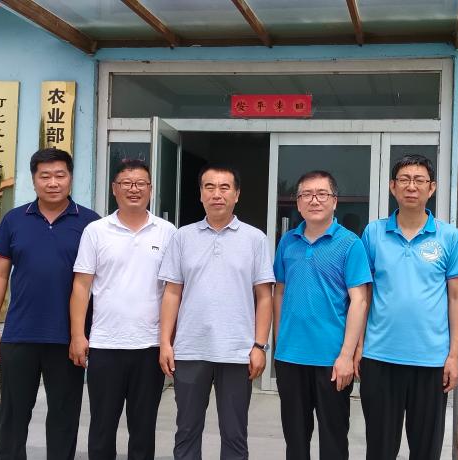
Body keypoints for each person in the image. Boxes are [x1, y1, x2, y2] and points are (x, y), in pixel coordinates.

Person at [0, 147, 100, 460]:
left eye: (60, 175)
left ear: (71, 178)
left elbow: (101, 282)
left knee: (64, 415)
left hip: (68, 338)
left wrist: (86, 335)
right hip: (20, 334)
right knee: (13, 414)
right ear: (34, 180)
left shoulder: (90, 223)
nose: (53, 182)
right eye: (45, 176)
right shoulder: (15, 219)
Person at [157, 164, 275, 460]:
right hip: (190, 350)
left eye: (225, 188)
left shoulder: (255, 239)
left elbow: (264, 297)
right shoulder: (182, 237)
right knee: (186, 430)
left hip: (237, 352)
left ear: (237, 194)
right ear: (200, 194)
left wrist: (259, 346)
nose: (217, 194)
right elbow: (172, 292)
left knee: (235, 434)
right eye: (209, 187)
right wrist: (165, 343)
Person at [358, 154, 458, 460]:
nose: (411, 187)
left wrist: (454, 356)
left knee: (426, 450)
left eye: (419, 180)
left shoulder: (449, 237)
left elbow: (457, 298)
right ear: (392, 187)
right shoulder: (373, 233)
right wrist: (357, 347)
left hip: (431, 361)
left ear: (431, 188)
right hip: (380, 357)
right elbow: (363, 295)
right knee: (379, 449)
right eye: (404, 180)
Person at [69, 159, 176, 460]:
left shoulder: (167, 232)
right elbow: (81, 286)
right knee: (102, 427)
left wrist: (168, 341)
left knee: (143, 428)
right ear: (114, 189)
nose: (134, 189)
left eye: (141, 183)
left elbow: (173, 290)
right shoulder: (96, 231)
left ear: (151, 189)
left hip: (149, 347)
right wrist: (78, 335)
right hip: (105, 345)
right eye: (126, 183)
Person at [272, 170, 371, 460]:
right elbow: (280, 292)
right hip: (290, 358)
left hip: (332, 360)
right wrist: (279, 342)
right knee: (295, 441)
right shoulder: (287, 242)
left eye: (322, 194)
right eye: (306, 194)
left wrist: (347, 356)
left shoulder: (350, 244)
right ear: (298, 202)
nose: (314, 200)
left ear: (334, 201)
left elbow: (359, 301)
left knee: (334, 441)